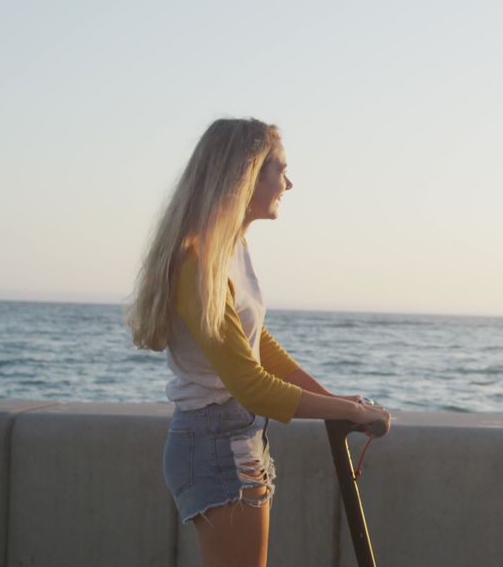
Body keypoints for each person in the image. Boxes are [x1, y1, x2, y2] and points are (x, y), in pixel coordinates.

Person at [126, 118, 391, 567]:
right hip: (213, 442)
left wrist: (331, 399)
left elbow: (258, 344)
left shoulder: (231, 248)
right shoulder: (198, 262)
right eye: (280, 170)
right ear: (248, 174)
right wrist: (350, 411)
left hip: (237, 436)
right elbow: (250, 384)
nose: (289, 183)